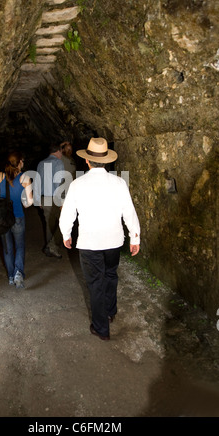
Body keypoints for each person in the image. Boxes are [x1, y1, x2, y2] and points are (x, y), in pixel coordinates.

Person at [59, 137, 140, 341]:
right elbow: (129, 211)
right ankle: (111, 311)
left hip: (90, 243)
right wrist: (134, 237)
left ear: (87, 161)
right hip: (113, 241)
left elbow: (67, 214)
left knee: (96, 283)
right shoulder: (119, 183)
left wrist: (66, 234)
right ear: (106, 161)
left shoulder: (78, 184)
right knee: (111, 275)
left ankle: (101, 328)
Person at [0, 151, 33, 288]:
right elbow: (29, 202)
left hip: (3, 218)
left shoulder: (0, 175)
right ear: (19, 163)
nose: (23, 163)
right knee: (19, 245)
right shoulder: (25, 178)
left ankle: (10, 276)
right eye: (23, 161)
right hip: (18, 216)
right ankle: (18, 272)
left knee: (7, 248)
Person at [33, 142, 65, 259]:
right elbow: (59, 183)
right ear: (58, 151)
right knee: (63, 223)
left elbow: (37, 182)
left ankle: (50, 248)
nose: (62, 154)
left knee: (49, 224)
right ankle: (53, 247)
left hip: (44, 197)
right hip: (54, 198)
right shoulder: (58, 162)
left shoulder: (41, 163)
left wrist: (37, 200)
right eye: (61, 151)